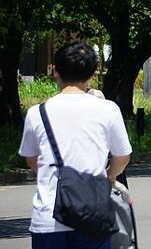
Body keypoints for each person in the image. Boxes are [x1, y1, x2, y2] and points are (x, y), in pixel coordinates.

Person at [19, 41, 132, 249]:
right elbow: (122, 156)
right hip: (93, 214)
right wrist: (108, 176)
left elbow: (32, 158)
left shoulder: (37, 113)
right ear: (92, 73)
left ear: (55, 70)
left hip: (49, 218)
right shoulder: (108, 109)